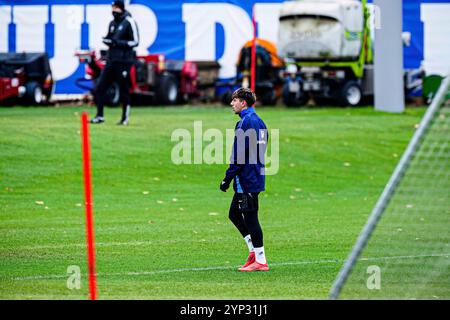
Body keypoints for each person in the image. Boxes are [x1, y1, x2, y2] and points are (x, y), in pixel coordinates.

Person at [220, 88, 269, 272]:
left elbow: (239, 155)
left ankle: (261, 260)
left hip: (247, 178)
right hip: (255, 175)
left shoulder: (244, 123)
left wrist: (227, 178)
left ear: (243, 103)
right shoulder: (260, 122)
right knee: (234, 213)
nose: (232, 103)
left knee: (250, 218)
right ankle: (253, 252)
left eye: (235, 100)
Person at [90, 0, 139, 125]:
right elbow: (110, 38)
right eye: (113, 7)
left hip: (124, 61)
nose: (114, 10)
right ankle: (100, 116)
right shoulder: (112, 23)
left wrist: (118, 43)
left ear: (121, 8)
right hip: (111, 60)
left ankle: (125, 118)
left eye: (116, 8)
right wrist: (107, 41)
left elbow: (135, 42)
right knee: (100, 87)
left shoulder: (129, 22)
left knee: (124, 89)